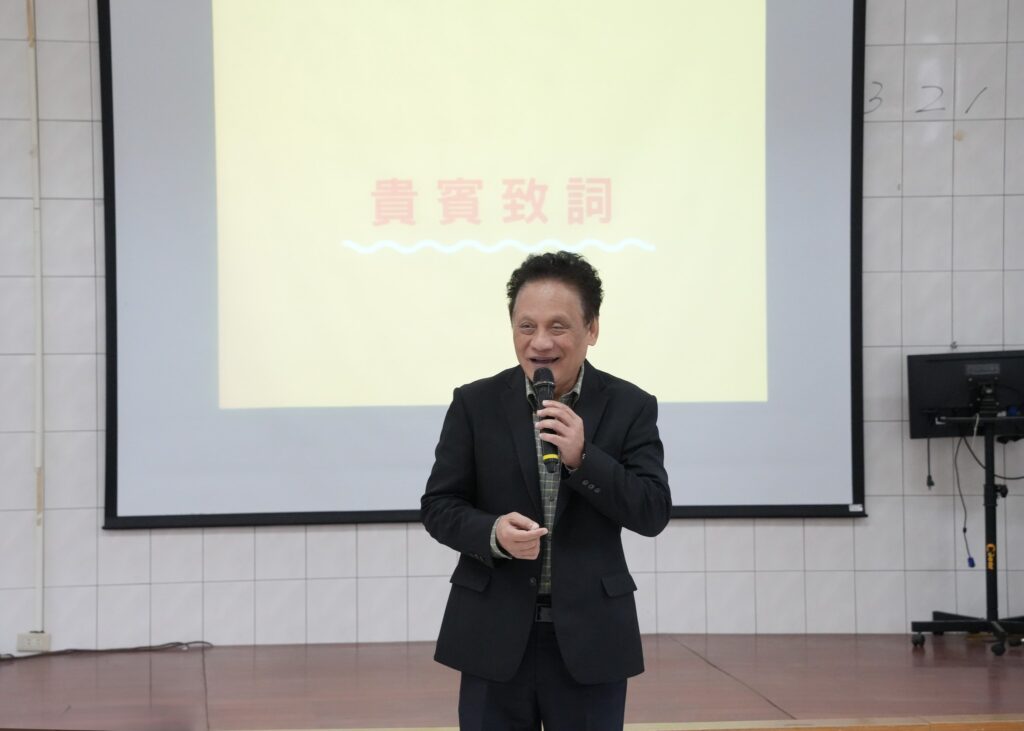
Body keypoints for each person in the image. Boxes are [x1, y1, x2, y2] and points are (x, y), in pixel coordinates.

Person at [420, 251, 672, 731]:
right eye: (526, 326)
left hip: (592, 637)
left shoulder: (630, 405)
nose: (540, 342)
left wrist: (584, 458)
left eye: (558, 327)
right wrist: (492, 532)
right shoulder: (475, 403)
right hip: (492, 633)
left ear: (591, 328)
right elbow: (439, 506)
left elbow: (652, 511)